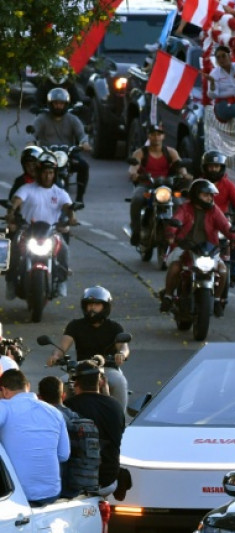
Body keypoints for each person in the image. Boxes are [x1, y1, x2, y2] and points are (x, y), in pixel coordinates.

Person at [46, 286, 131, 417]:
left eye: (96, 304)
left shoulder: (114, 327)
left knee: (119, 382)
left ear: (105, 307)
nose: (92, 308)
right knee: (62, 384)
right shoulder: (75, 325)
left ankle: (120, 419)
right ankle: (60, 419)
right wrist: (55, 356)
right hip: (81, 369)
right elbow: (62, 346)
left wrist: (121, 355)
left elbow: (124, 347)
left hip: (107, 369)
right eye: (89, 305)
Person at [160, 179, 235, 317]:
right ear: (196, 195)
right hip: (186, 246)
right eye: (205, 195)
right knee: (175, 267)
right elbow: (176, 220)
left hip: (209, 249)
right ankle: (167, 296)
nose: (209, 198)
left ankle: (216, 300)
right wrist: (171, 234)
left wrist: (234, 237)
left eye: (211, 195)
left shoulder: (214, 210)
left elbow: (225, 226)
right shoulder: (185, 208)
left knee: (223, 271)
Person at [6, 150, 75, 299]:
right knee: (13, 251)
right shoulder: (26, 189)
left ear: (55, 173)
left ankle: (62, 282)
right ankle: (10, 283)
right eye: (44, 172)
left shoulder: (60, 192)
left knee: (63, 249)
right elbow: (16, 201)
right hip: (27, 230)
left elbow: (68, 207)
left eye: (50, 172)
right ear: (39, 172)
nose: (47, 176)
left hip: (51, 232)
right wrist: (11, 213)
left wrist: (71, 218)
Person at [0, 369, 70, 507]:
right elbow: (63, 455)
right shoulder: (55, 412)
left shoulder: (4, 406)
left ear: (4, 390)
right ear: (28, 386)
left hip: (18, 495)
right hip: (51, 493)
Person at [64, 359, 125, 497]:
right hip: (108, 479)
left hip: (79, 481)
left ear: (76, 383)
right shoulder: (116, 407)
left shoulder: (69, 407)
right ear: (101, 382)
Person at [128, 123, 191, 247]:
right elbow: (133, 167)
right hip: (147, 185)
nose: (156, 137)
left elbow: (180, 166)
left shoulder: (171, 152)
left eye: (159, 134)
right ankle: (136, 230)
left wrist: (184, 174)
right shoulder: (140, 152)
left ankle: (176, 233)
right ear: (148, 136)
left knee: (178, 203)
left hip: (166, 186)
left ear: (163, 136)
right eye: (153, 134)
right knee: (137, 199)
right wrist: (133, 174)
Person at [31, 88, 91, 206]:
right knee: (31, 167)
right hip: (47, 155)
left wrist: (84, 143)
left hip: (67, 154)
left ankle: (79, 198)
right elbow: (32, 133)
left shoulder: (72, 119)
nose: (58, 106)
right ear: (50, 103)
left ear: (66, 104)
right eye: (56, 103)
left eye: (61, 103)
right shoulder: (42, 118)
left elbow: (82, 134)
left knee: (84, 166)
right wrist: (30, 142)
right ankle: (29, 196)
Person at [202, 150, 235, 285]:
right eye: (211, 166)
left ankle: (232, 273)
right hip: (202, 220)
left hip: (223, 222)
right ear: (205, 167)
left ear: (221, 168)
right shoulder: (199, 183)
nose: (214, 169)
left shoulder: (228, 184)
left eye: (217, 166)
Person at [207, 46, 235, 121]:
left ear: (229, 56)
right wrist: (212, 83)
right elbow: (212, 95)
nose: (221, 59)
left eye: (223, 56)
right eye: (218, 57)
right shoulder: (214, 74)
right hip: (223, 103)